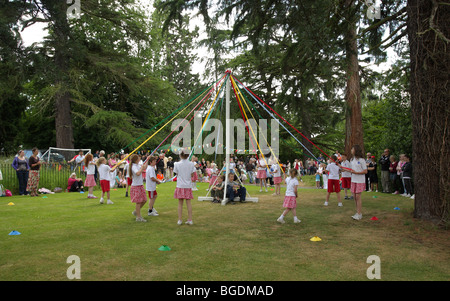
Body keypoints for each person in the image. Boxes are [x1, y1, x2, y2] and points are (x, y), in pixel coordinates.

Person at [173, 151, 196, 225]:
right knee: (188, 202)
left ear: (180, 155)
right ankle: (190, 219)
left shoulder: (177, 164)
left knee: (180, 203)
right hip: (188, 185)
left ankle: (180, 220)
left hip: (180, 185)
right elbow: (192, 175)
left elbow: (176, 173)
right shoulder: (191, 164)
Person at [349, 145, 367, 220]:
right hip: (353, 180)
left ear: (356, 150)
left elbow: (365, 171)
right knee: (354, 197)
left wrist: (356, 172)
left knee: (358, 196)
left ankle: (359, 214)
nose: (351, 150)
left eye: (352, 149)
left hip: (360, 180)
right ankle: (357, 212)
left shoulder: (362, 160)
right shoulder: (352, 160)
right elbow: (350, 170)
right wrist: (341, 167)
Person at [129, 154, 149, 222]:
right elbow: (137, 173)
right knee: (138, 202)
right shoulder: (133, 166)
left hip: (140, 185)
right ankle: (138, 217)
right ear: (136, 160)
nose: (139, 158)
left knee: (144, 200)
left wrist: (147, 160)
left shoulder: (137, 165)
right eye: (138, 158)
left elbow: (144, 168)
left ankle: (136, 212)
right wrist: (141, 168)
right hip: (136, 186)